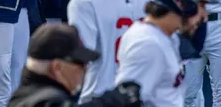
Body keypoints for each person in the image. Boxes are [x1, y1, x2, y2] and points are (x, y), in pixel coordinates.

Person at [115, 0, 213, 107]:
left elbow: (195, 46)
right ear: (181, 4)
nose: (205, 16)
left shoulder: (166, 35)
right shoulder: (148, 44)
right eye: (201, 6)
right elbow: (123, 102)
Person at [8, 24, 142, 106]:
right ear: (57, 67)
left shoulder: (24, 95)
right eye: (79, 63)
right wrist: (113, 100)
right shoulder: (44, 100)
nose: (85, 68)